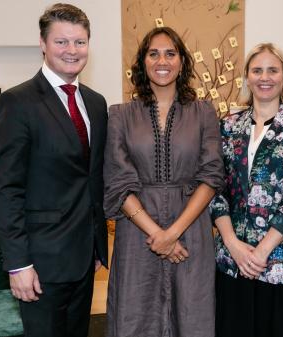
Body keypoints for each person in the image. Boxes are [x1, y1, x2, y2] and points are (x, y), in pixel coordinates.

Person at [0, 3, 108, 336]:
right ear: (42, 44)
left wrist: (97, 246)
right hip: (40, 263)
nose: (72, 50)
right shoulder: (18, 102)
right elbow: (6, 190)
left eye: (80, 42)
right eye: (61, 42)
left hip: (85, 259)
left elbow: (92, 178)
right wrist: (18, 263)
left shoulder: (96, 103)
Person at [103, 26, 224, 337]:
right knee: (136, 317)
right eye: (153, 53)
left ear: (182, 61)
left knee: (192, 315)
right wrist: (158, 234)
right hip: (137, 232)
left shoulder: (204, 112)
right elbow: (117, 180)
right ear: (143, 62)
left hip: (191, 230)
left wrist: (173, 233)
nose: (162, 60)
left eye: (171, 53)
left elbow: (211, 175)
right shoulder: (119, 114)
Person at [210, 43, 283, 337]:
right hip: (233, 261)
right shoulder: (228, 127)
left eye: (273, 70)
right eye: (257, 70)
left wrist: (260, 253)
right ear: (247, 77)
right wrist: (233, 244)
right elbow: (214, 189)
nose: (265, 77)